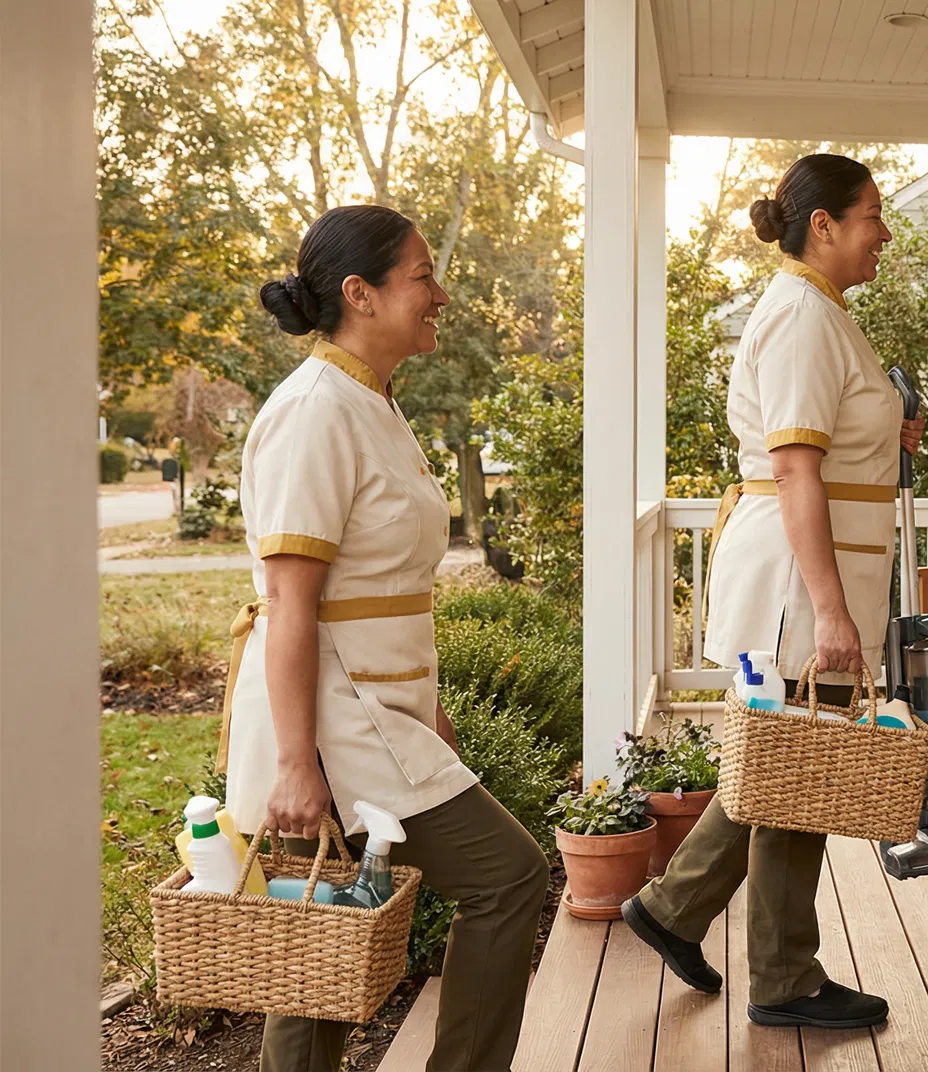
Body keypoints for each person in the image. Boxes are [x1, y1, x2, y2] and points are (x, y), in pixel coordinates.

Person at [229, 205, 548, 1072]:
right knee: (502, 878)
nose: (439, 294)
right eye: (421, 276)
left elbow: (388, 588)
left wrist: (429, 708)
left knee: (329, 922)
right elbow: (291, 603)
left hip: (382, 706)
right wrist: (298, 763)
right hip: (335, 713)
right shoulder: (314, 411)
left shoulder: (371, 403)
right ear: (360, 294)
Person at [620, 154, 922, 1029]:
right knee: (802, 770)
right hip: (801, 583)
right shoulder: (800, 315)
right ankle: (781, 975)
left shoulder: (820, 312)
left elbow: (830, 443)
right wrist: (829, 609)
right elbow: (794, 468)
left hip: (815, 574)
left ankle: (675, 911)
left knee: (791, 763)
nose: (884, 232)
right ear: (822, 225)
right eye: (871, 215)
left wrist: (884, 430)